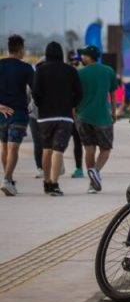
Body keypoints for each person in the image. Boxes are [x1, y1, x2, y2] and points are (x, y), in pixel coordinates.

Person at [32, 42, 82, 196]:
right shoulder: (70, 71)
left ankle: (46, 182)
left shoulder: (40, 71)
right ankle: (54, 184)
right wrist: (71, 104)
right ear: (62, 54)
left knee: (46, 149)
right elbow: (79, 93)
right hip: (64, 116)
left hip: (45, 117)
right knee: (58, 150)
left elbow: (35, 93)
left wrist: (42, 106)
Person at [75, 45, 118, 193]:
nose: (81, 58)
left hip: (83, 115)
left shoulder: (80, 73)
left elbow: (75, 96)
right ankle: (96, 172)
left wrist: (75, 113)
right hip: (103, 117)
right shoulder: (108, 71)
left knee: (89, 149)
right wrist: (113, 111)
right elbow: (113, 94)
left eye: (83, 55)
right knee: (105, 149)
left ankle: (92, 184)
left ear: (88, 57)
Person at [0, 35, 36, 196]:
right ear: (21, 49)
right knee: (13, 147)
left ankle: (9, 179)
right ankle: (7, 179)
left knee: (5, 147)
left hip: (1, 114)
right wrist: (31, 106)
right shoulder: (26, 68)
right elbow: (36, 90)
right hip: (19, 113)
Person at [67, 53, 85, 178]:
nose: (74, 64)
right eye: (72, 62)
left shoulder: (83, 75)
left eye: (76, 62)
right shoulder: (67, 74)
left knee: (78, 142)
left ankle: (79, 167)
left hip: (79, 113)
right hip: (67, 112)